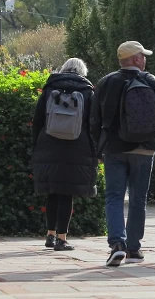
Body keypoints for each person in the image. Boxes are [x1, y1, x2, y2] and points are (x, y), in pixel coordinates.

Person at [91, 41, 155, 268]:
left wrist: (99, 149)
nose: (145, 59)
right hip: (143, 149)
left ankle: (117, 245)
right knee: (138, 198)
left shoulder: (106, 82)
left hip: (114, 149)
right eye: (143, 56)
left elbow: (94, 120)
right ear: (135, 59)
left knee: (113, 197)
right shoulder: (151, 81)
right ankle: (134, 247)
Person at [32, 59, 96, 252]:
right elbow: (93, 123)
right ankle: (62, 238)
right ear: (82, 72)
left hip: (49, 145)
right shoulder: (87, 91)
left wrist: (37, 144)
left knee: (52, 192)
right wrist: (95, 151)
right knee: (66, 193)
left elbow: (37, 119)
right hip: (76, 148)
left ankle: (50, 235)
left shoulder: (50, 88)